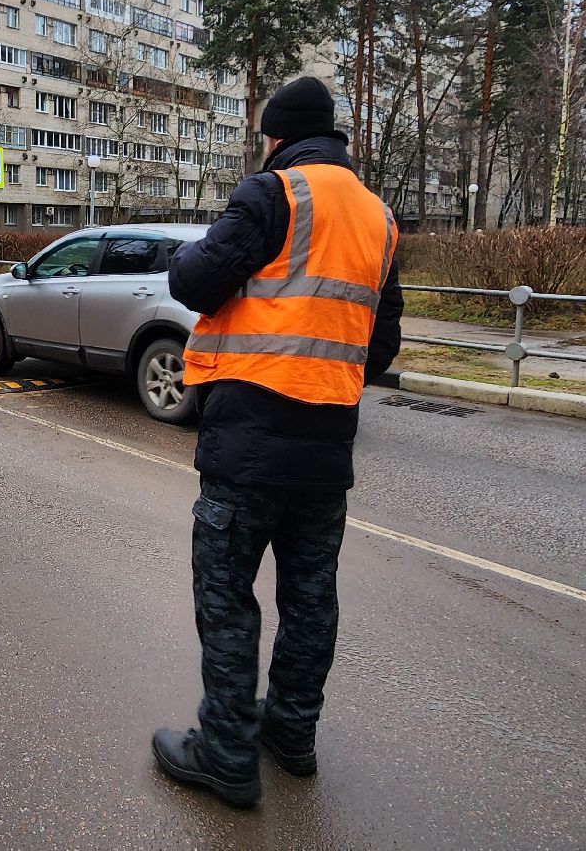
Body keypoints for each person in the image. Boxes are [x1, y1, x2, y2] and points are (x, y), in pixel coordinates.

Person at [151, 76, 403, 808]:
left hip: (249, 443)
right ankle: (291, 736)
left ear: (276, 137)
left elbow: (195, 281)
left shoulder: (273, 193)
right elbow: (380, 344)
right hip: (327, 447)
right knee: (310, 599)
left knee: (227, 597)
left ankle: (225, 754)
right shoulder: (380, 219)